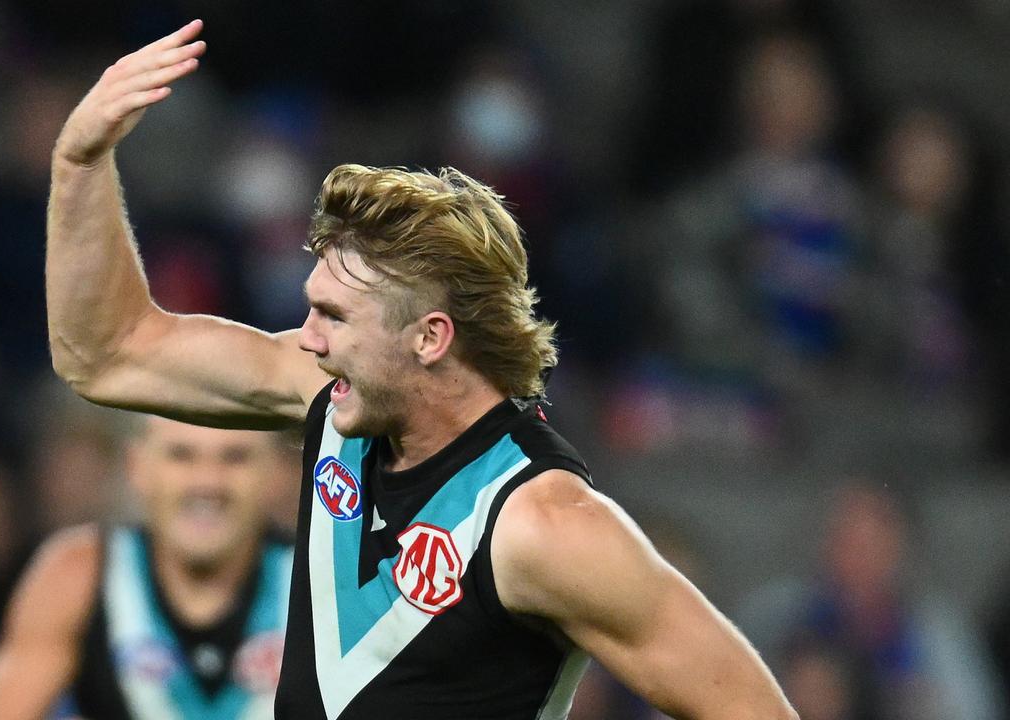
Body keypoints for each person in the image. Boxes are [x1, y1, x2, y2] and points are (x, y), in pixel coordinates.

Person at [44, 19, 795, 719]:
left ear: (431, 338)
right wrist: (81, 162)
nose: (305, 338)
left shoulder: (546, 528)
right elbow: (108, 355)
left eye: (334, 317)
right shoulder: (333, 400)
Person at [0, 416, 293, 719]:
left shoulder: (321, 580)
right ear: (137, 466)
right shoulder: (79, 574)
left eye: (235, 457)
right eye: (181, 455)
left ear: (276, 472)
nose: (207, 481)